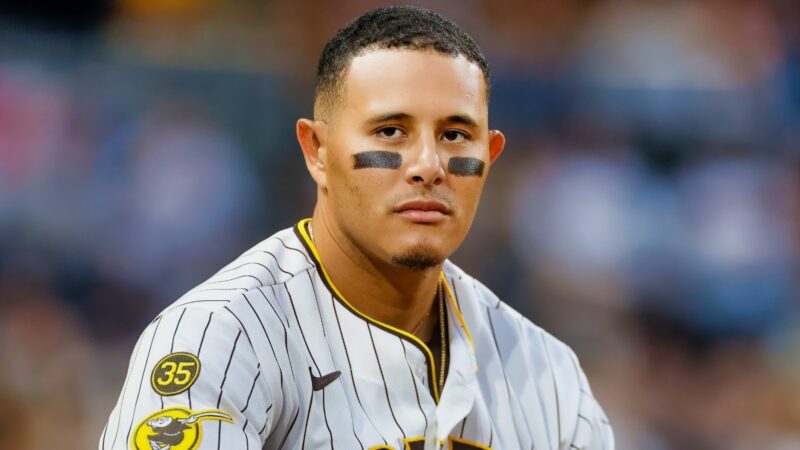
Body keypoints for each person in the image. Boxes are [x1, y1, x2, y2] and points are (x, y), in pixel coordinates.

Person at [100, 5, 613, 450]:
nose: (428, 165)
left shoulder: (548, 374)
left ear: (491, 155)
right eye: (391, 131)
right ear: (317, 151)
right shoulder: (221, 337)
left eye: (456, 135)